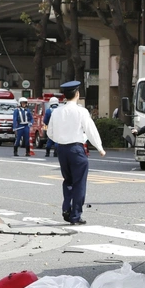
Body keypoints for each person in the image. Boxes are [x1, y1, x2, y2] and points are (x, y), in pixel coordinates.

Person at [46, 81, 106, 225]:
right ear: (77, 94)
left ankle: (66, 208)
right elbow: (91, 130)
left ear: (64, 96)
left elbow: (50, 133)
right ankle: (75, 215)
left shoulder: (57, 111)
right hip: (76, 149)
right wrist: (99, 147)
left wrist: (61, 140)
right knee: (79, 183)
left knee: (68, 181)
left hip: (61, 149)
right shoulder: (81, 111)